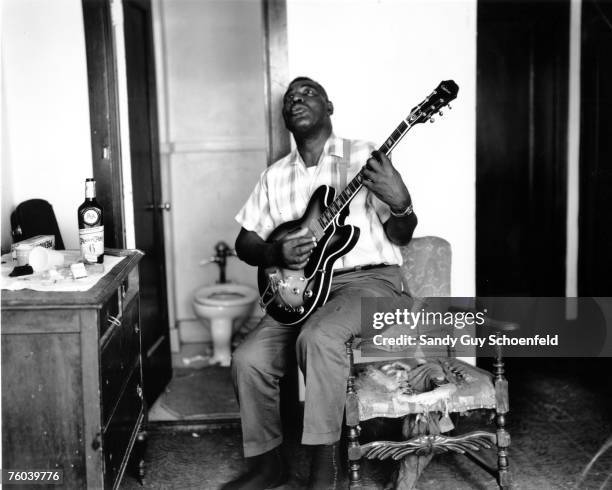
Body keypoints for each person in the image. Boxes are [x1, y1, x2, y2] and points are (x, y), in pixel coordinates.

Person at [224, 76, 418, 489]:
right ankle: (266, 465)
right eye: (290, 97)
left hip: (367, 283)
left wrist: (401, 203)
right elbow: (245, 242)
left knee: (318, 337)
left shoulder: (362, 156)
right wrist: (277, 254)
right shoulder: (274, 176)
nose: (297, 99)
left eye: (308, 92)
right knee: (249, 358)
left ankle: (323, 472)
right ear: (284, 116)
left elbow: (402, 235)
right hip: (302, 289)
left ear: (329, 106)